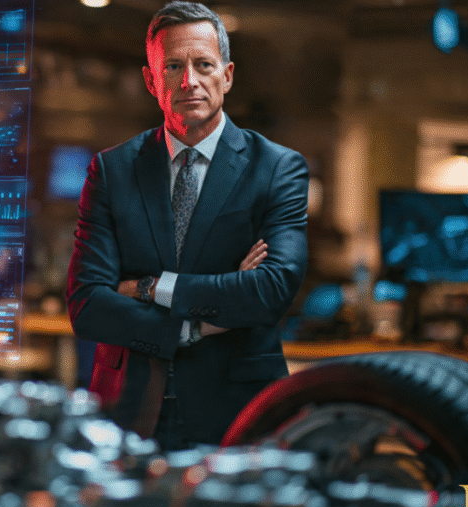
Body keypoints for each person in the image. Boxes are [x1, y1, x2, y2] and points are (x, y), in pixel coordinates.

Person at [66, 1, 308, 449]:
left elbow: (272, 291)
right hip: (129, 412)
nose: (189, 81)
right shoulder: (112, 170)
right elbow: (86, 304)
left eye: (203, 65)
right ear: (150, 80)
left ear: (228, 75)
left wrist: (147, 287)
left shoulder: (277, 168)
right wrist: (192, 326)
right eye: (173, 66)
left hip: (237, 414)